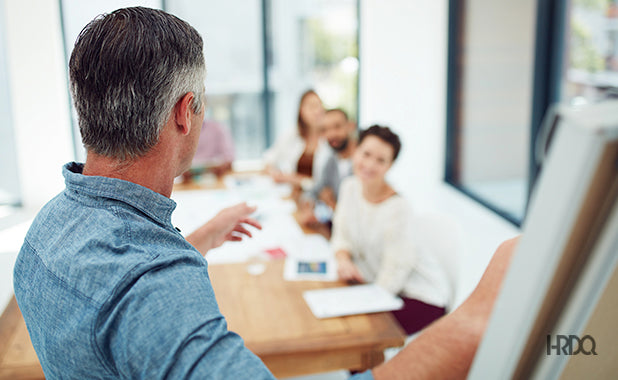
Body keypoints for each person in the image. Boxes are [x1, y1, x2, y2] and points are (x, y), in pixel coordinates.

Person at [13, 7, 517, 380]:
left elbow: (113, 303)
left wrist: (198, 241)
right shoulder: (155, 289)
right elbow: (141, 301)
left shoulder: (47, 228)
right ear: (186, 112)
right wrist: (475, 322)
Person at [332, 125, 449, 335]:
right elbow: (341, 236)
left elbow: (394, 274)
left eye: (381, 160)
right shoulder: (349, 187)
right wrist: (343, 259)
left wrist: (364, 302)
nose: (369, 164)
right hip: (378, 286)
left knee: (356, 332)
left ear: (390, 165)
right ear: (355, 151)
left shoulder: (399, 208)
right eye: (366, 154)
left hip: (418, 297)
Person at [298, 108, 356, 231]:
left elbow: (358, 217)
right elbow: (314, 190)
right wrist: (308, 206)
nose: (331, 134)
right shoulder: (331, 159)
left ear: (351, 126)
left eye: (337, 127)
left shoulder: (364, 165)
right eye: (325, 130)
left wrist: (331, 204)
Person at [263, 89, 330, 187]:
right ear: (301, 111)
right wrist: (277, 175)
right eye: (312, 106)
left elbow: (325, 181)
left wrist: (295, 179)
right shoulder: (292, 135)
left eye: (319, 105)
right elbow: (269, 161)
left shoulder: (329, 139)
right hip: (293, 195)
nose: (317, 111)